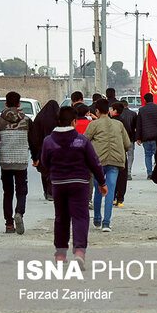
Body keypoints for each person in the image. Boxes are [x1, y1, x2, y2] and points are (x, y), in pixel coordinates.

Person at [40, 106, 107, 269]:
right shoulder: (81, 140)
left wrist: (53, 175)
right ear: (73, 122)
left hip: (59, 184)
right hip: (80, 184)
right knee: (80, 217)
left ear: (58, 121)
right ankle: (79, 252)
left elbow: (44, 163)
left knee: (61, 218)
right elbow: (94, 162)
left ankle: (61, 255)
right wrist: (102, 182)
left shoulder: (48, 141)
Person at [0, 91, 38, 234]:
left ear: (6, 104)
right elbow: (33, 142)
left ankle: (8, 224)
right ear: (19, 104)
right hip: (21, 161)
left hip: (5, 162)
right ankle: (19, 212)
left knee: (8, 192)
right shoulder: (26, 120)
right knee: (22, 190)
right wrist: (35, 158)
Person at [84, 99, 130, 232]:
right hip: (115, 162)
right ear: (108, 110)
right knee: (110, 189)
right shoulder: (119, 125)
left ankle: (97, 218)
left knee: (100, 188)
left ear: (97, 111)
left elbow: (85, 141)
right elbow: (127, 144)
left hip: (98, 162)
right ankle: (106, 223)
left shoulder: (93, 125)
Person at [30, 100, 60, 201]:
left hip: (42, 149)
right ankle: (52, 191)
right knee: (54, 170)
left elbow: (34, 136)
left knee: (44, 171)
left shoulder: (39, 118)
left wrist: (35, 153)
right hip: (56, 149)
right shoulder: (58, 119)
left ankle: (46, 192)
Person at [136, 93, 157, 179]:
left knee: (147, 155)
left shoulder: (142, 110)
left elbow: (139, 125)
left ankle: (149, 173)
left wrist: (138, 138)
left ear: (145, 100)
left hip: (146, 137)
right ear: (153, 99)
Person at [111, 102, 131, 207]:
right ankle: (120, 199)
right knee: (122, 176)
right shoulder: (124, 122)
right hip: (122, 152)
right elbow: (128, 138)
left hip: (111, 152)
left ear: (114, 110)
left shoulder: (111, 122)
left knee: (111, 175)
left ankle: (112, 197)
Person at [118, 100, 137, 179]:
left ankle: (122, 171)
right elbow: (136, 127)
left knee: (121, 154)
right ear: (128, 105)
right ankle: (128, 171)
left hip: (120, 138)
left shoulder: (118, 115)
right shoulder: (133, 114)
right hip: (130, 137)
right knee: (130, 154)